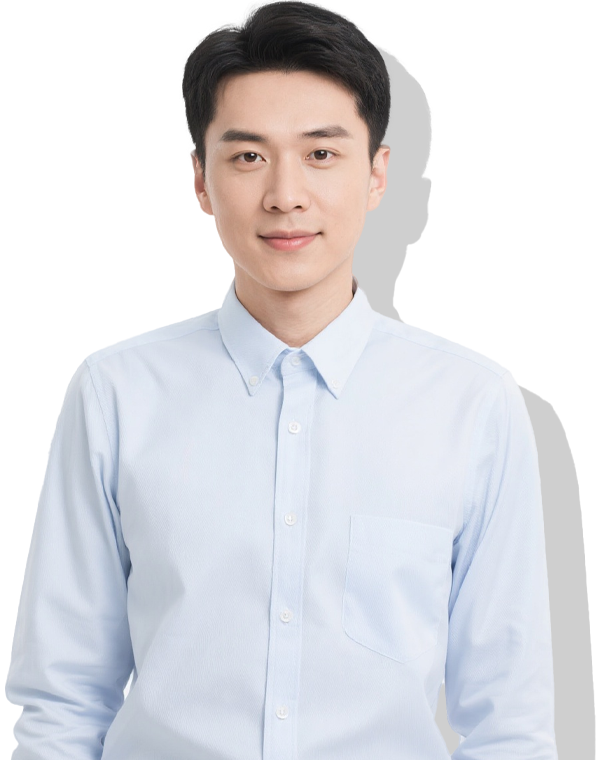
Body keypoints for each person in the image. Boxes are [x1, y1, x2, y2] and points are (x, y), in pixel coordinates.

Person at [5, 1, 558, 758]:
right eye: (247, 157)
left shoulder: (473, 402)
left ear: (377, 174)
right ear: (200, 181)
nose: (285, 195)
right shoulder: (115, 394)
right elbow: (63, 705)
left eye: (321, 154)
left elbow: (509, 723)